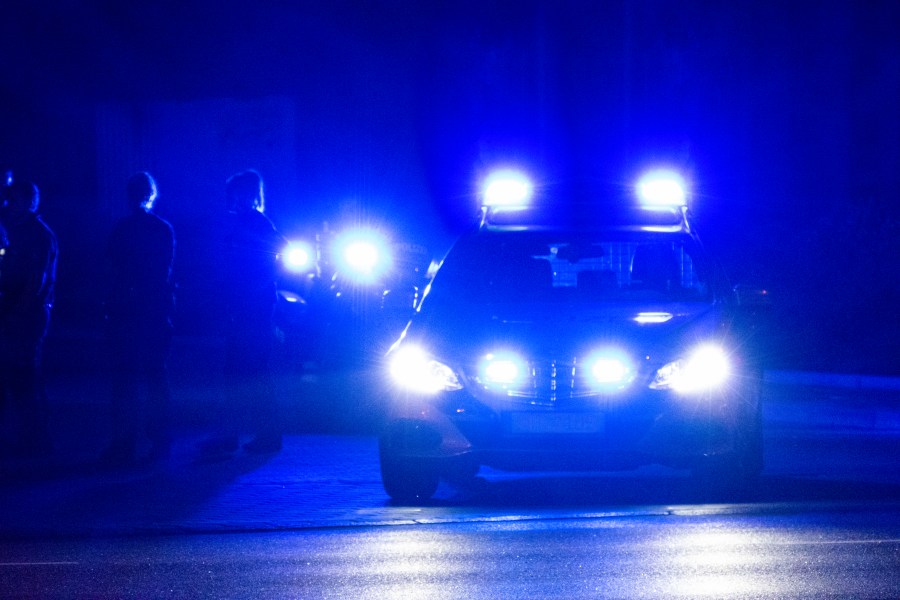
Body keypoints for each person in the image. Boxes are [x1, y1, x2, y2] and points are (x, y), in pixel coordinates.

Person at [203, 169, 287, 455]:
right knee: (245, 371)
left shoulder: (254, 223)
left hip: (252, 307)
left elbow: (282, 253)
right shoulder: (247, 223)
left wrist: (259, 285)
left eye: (239, 193)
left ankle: (252, 435)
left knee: (246, 371)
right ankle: (257, 435)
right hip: (246, 305)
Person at [100, 172, 176, 466]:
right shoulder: (162, 229)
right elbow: (164, 272)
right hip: (154, 310)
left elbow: (111, 269)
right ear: (152, 195)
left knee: (125, 379)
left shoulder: (122, 228)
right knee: (156, 376)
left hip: (126, 312)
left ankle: (123, 442)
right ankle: (160, 441)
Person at [0, 179, 58, 456]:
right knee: (19, 374)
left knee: (25, 374)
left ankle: (36, 439)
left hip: (27, 315)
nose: (10, 205)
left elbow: (35, 280)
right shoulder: (19, 232)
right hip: (17, 313)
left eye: (15, 200)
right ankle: (29, 436)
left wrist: (17, 312)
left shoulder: (37, 235)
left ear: (28, 201)